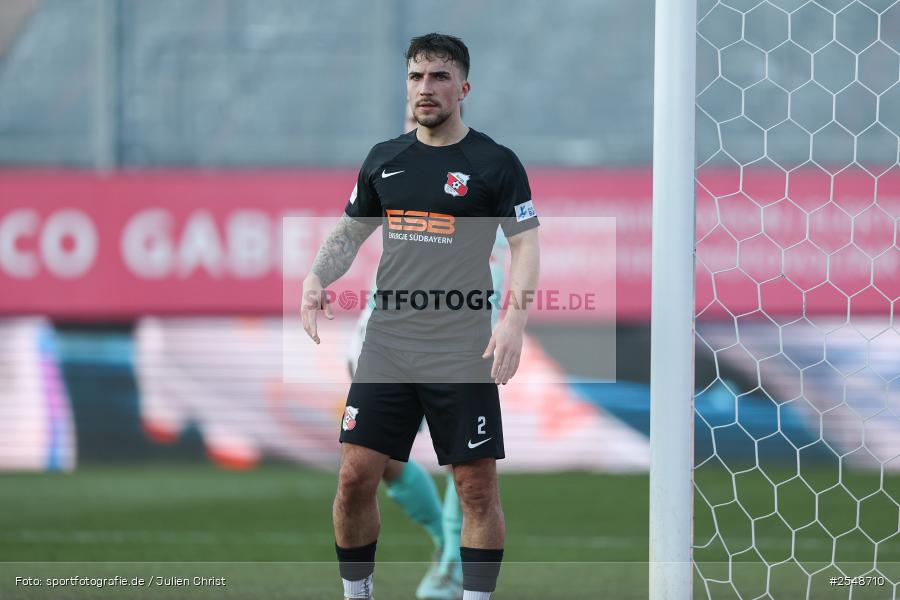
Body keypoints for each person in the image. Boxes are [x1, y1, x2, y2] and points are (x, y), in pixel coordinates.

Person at [301, 33, 540, 600]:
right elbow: (350, 232)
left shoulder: (494, 163)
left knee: (476, 489)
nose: (424, 88)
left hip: (461, 346)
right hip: (389, 342)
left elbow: (526, 246)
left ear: (464, 87)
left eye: (437, 77)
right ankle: (357, 594)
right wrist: (316, 276)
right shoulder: (385, 160)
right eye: (415, 77)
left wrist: (513, 321)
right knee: (355, 477)